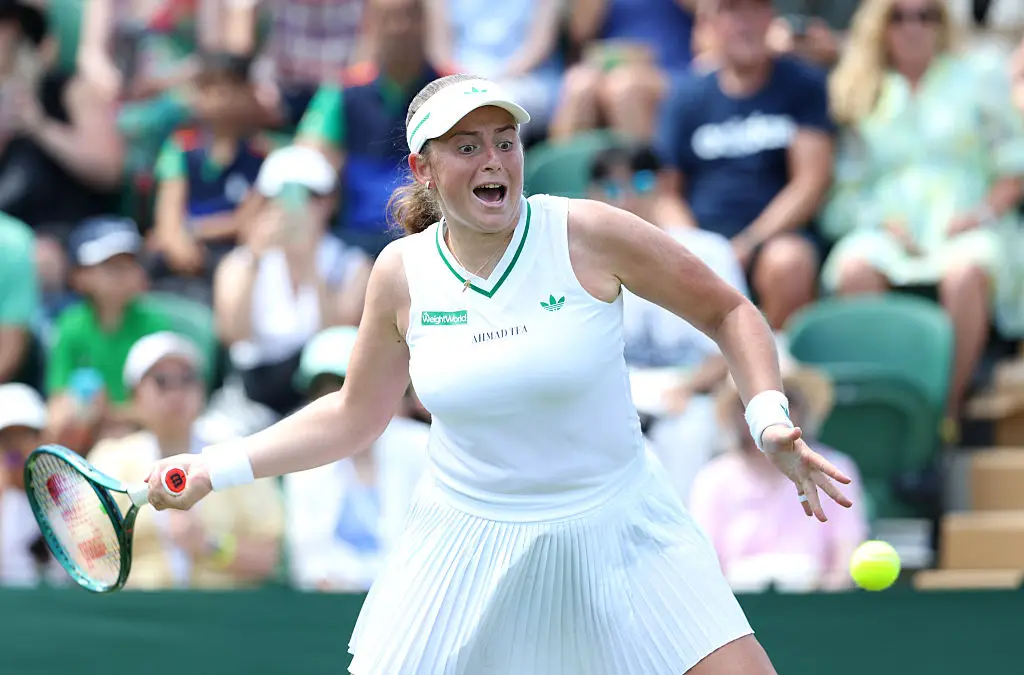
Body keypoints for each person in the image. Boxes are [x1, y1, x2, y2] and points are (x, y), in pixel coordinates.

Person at [144, 73, 852, 675]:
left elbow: (729, 311)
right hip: (464, 537)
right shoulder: (401, 273)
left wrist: (767, 416)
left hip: (622, 522)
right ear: (424, 169)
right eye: (467, 146)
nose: (495, 160)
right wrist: (213, 466)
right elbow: (353, 415)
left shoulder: (588, 233)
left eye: (505, 142)